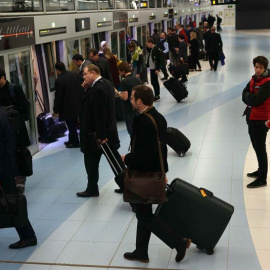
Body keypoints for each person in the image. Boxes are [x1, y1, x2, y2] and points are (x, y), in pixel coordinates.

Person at [122, 85, 190, 263]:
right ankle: (141, 252)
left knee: (144, 214)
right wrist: (163, 171)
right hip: (154, 171)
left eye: (132, 98)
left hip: (144, 173)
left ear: (139, 101)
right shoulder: (158, 117)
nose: (130, 101)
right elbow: (162, 148)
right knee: (142, 211)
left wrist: (127, 158)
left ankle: (178, 242)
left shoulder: (143, 121)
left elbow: (148, 152)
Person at [78, 64, 124, 197]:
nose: (83, 77)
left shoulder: (98, 89)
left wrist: (100, 135)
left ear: (93, 73)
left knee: (91, 162)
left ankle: (92, 188)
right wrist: (86, 90)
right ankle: (125, 185)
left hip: (97, 135)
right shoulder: (106, 83)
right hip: (106, 132)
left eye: (85, 74)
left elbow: (100, 114)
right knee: (115, 160)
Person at [0, 108, 37, 249]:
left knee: (13, 202)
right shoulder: (3, 113)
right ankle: (28, 235)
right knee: (12, 200)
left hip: (3, 169)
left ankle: (28, 236)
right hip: (7, 166)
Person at [0, 68, 30, 194]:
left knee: (19, 154)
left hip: (17, 129)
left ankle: (20, 181)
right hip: (4, 130)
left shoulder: (14, 89)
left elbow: (25, 107)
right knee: (8, 156)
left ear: (3, 78)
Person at [242, 56, 270, 188]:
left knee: (260, 148)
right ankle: (260, 170)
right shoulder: (254, 79)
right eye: (256, 67)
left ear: (265, 68)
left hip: (261, 120)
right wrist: (249, 97)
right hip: (251, 117)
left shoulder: (267, 82)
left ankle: (262, 178)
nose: (257, 70)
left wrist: (249, 97)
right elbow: (244, 93)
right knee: (256, 146)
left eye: (260, 67)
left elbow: (255, 100)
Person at [53, 62, 83, 148]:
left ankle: (75, 142)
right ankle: (72, 139)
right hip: (78, 102)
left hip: (67, 106)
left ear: (57, 70)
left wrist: (56, 109)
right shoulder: (74, 74)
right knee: (76, 123)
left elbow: (58, 96)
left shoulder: (59, 80)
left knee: (71, 125)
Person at [116, 62, 141, 136]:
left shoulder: (124, 82)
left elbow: (125, 97)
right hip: (139, 107)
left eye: (120, 72)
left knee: (132, 132)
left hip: (129, 109)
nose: (120, 74)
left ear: (123, 71)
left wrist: (117, 93)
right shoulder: (136, 79)